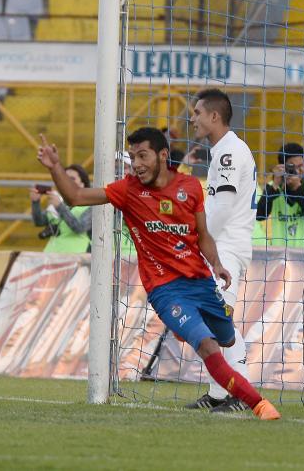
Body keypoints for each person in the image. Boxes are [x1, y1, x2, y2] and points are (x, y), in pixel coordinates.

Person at [36, 128, 280, 420]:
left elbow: (202, 234)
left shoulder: (189, 187)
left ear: (163, 155)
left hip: (201, 282)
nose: (136, 164)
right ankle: (258, 404)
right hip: (165, 290)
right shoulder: (127, 190)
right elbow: (75, 196)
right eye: (132, 157)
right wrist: (55, 168)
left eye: (142, 156)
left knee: (227, 338)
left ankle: (213, 368)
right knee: (207, 345)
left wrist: (216, 263)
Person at [184, 88, 257, 412]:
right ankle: (218, 393)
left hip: (227, 246)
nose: (192, 118)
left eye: (197, 112)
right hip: (222, 244)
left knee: (221, 322)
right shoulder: (222, 151)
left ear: (215, 116)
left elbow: (224, 207)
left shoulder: (229, 152)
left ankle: (240, 394)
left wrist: (201, 241)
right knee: (214, 322)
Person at [256, 142, 304, 249]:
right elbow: (260, 215)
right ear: (282, 167)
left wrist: (298, 188)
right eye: (292, 167)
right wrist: (275, 185)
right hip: (281, 256)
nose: (297, 171)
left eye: (301, 166)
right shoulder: (273, 187)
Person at [30, 164, 91, 253]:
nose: (68, 182)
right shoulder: (60, 201)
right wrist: (35, 202)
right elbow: (39, 221)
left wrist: (60, 207)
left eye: (72, 179)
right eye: (66, 179)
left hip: (76, 256)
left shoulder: (91, 205)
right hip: (51, 255)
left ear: (83, 184)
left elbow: (79, 228)